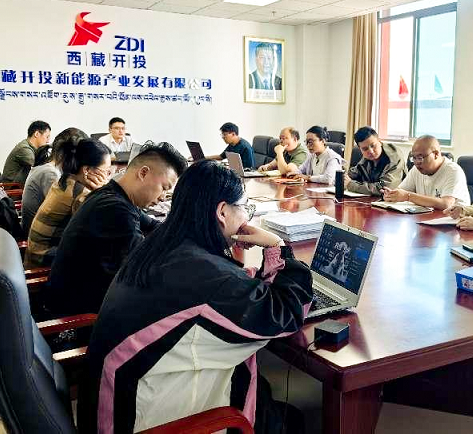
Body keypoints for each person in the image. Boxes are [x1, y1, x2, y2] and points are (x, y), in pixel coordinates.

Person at [76, 160, 312, 434]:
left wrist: (246, 279)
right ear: (222, 212)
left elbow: (215, 291)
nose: (246, 218)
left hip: (113, 400)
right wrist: (278, 247)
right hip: (141, 420)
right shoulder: (209, 278)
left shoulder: (162, 246)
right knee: (290, 419)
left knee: (269, 396)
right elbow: (286, 315)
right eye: (245, 208)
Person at [47, 142, 187, 317]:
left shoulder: (115, 195)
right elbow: (142, 270)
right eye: (164, 188)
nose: (162, 197)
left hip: (90, 299)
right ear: (143, 173)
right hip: (79, 317)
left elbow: (154, 226)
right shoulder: (115, 209)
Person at [25, 138, 111, 268]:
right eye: (106, 171)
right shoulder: (81, 195)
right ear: (87, 170)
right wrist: (104, 192)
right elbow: (104, 228)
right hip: (43, 261)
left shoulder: (66, 180)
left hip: (36, 253)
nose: (108, 176)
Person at [21, 128, 88, 236]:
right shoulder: (50, 173)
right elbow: (64, 209)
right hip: (38, 235)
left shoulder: (50, 168)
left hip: (42, 231)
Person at [382, 135, 470, 210]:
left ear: (436, 154)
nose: (417, 162)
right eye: (414, 158)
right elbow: (402, 191)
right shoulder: (417, 169)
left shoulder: (453, 171)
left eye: (420, 158)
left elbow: (446, 204)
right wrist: (392, 195)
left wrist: (408, 196)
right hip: (426, 219)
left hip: (454, 222)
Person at [344, 126, 405, 196]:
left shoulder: (394, 157)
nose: (371, 151)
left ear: (379, 141)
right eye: (365, 149)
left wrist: (351, 185)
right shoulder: (366, 158)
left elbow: (384, 188)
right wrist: (343, 178)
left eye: (373, 146)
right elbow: (353, 174)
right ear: (360, 149)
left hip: (394, 199)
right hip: (371, 199)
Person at [1, 120, 51, 185]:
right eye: (47, 137)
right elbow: (42, 167)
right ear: (37, 134)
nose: (48, 141)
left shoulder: (33, 148)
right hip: (12, 188)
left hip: (20, 186)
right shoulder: (24, 149)